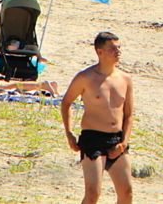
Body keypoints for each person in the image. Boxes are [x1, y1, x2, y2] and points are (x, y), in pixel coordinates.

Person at [61, 32, 134, 204]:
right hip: (92, 138)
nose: (118, 51)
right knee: (93, 193)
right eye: (112, 48)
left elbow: (129, 114)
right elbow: (66, 103)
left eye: (119, 48)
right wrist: (69, 133)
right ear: (99, 52)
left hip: (116, 139)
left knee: (127, 192)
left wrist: (124, 142)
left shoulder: (125, 79)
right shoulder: (86, 77)